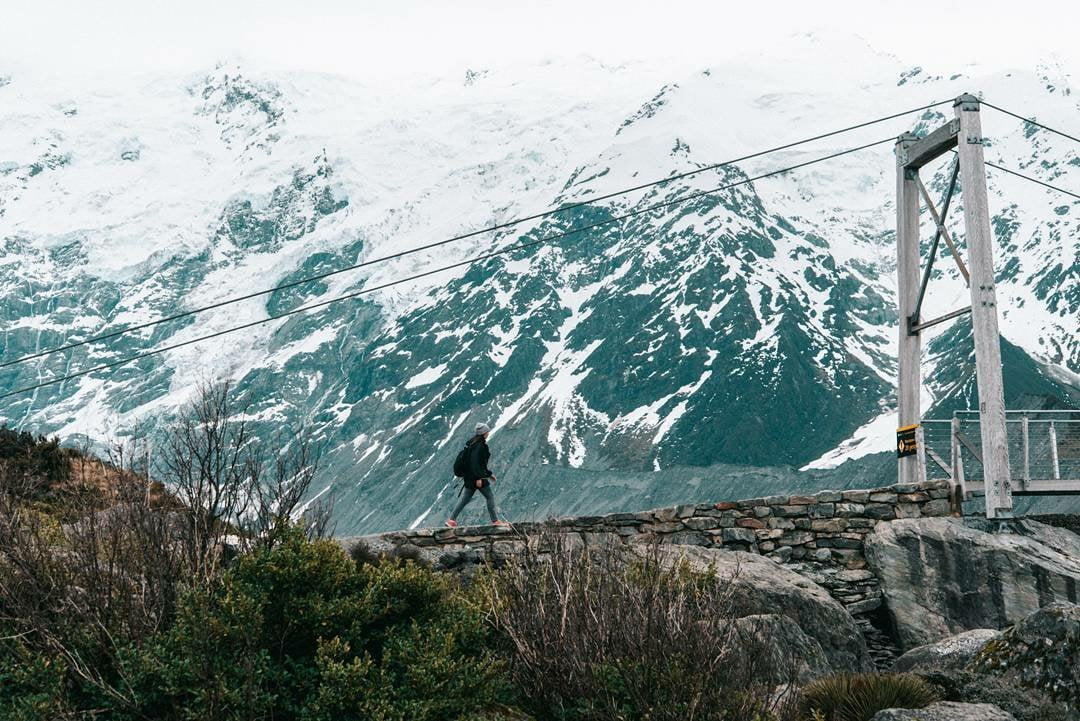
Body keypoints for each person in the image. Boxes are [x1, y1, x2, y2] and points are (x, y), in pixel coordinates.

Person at [446, 422, 508, 527]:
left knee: (465, 499)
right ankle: (495, 521)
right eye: (487, 431)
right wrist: (479, 477)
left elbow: (476, 464)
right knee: (490, 497)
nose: (488, 433)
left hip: (469, 477)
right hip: (477, 477)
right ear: (484, 432)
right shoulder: (480, 446)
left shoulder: (471, 444)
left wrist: (489, 474)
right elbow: (476, 464)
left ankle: (451, 520)